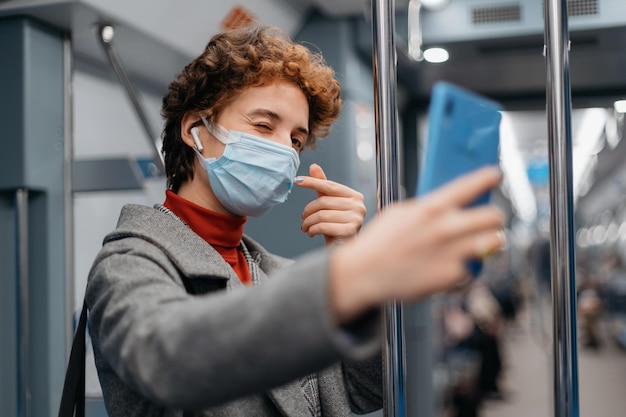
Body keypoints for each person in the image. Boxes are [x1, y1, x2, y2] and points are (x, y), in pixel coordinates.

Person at [85, 24, 505, 417]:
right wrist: (350, 275)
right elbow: (166, 359)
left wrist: (348, 255)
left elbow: (363, 392)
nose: (284, 151)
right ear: (196, 128)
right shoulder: (129, 259)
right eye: (264, 125)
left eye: (295, 139)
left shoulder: (271, 271)